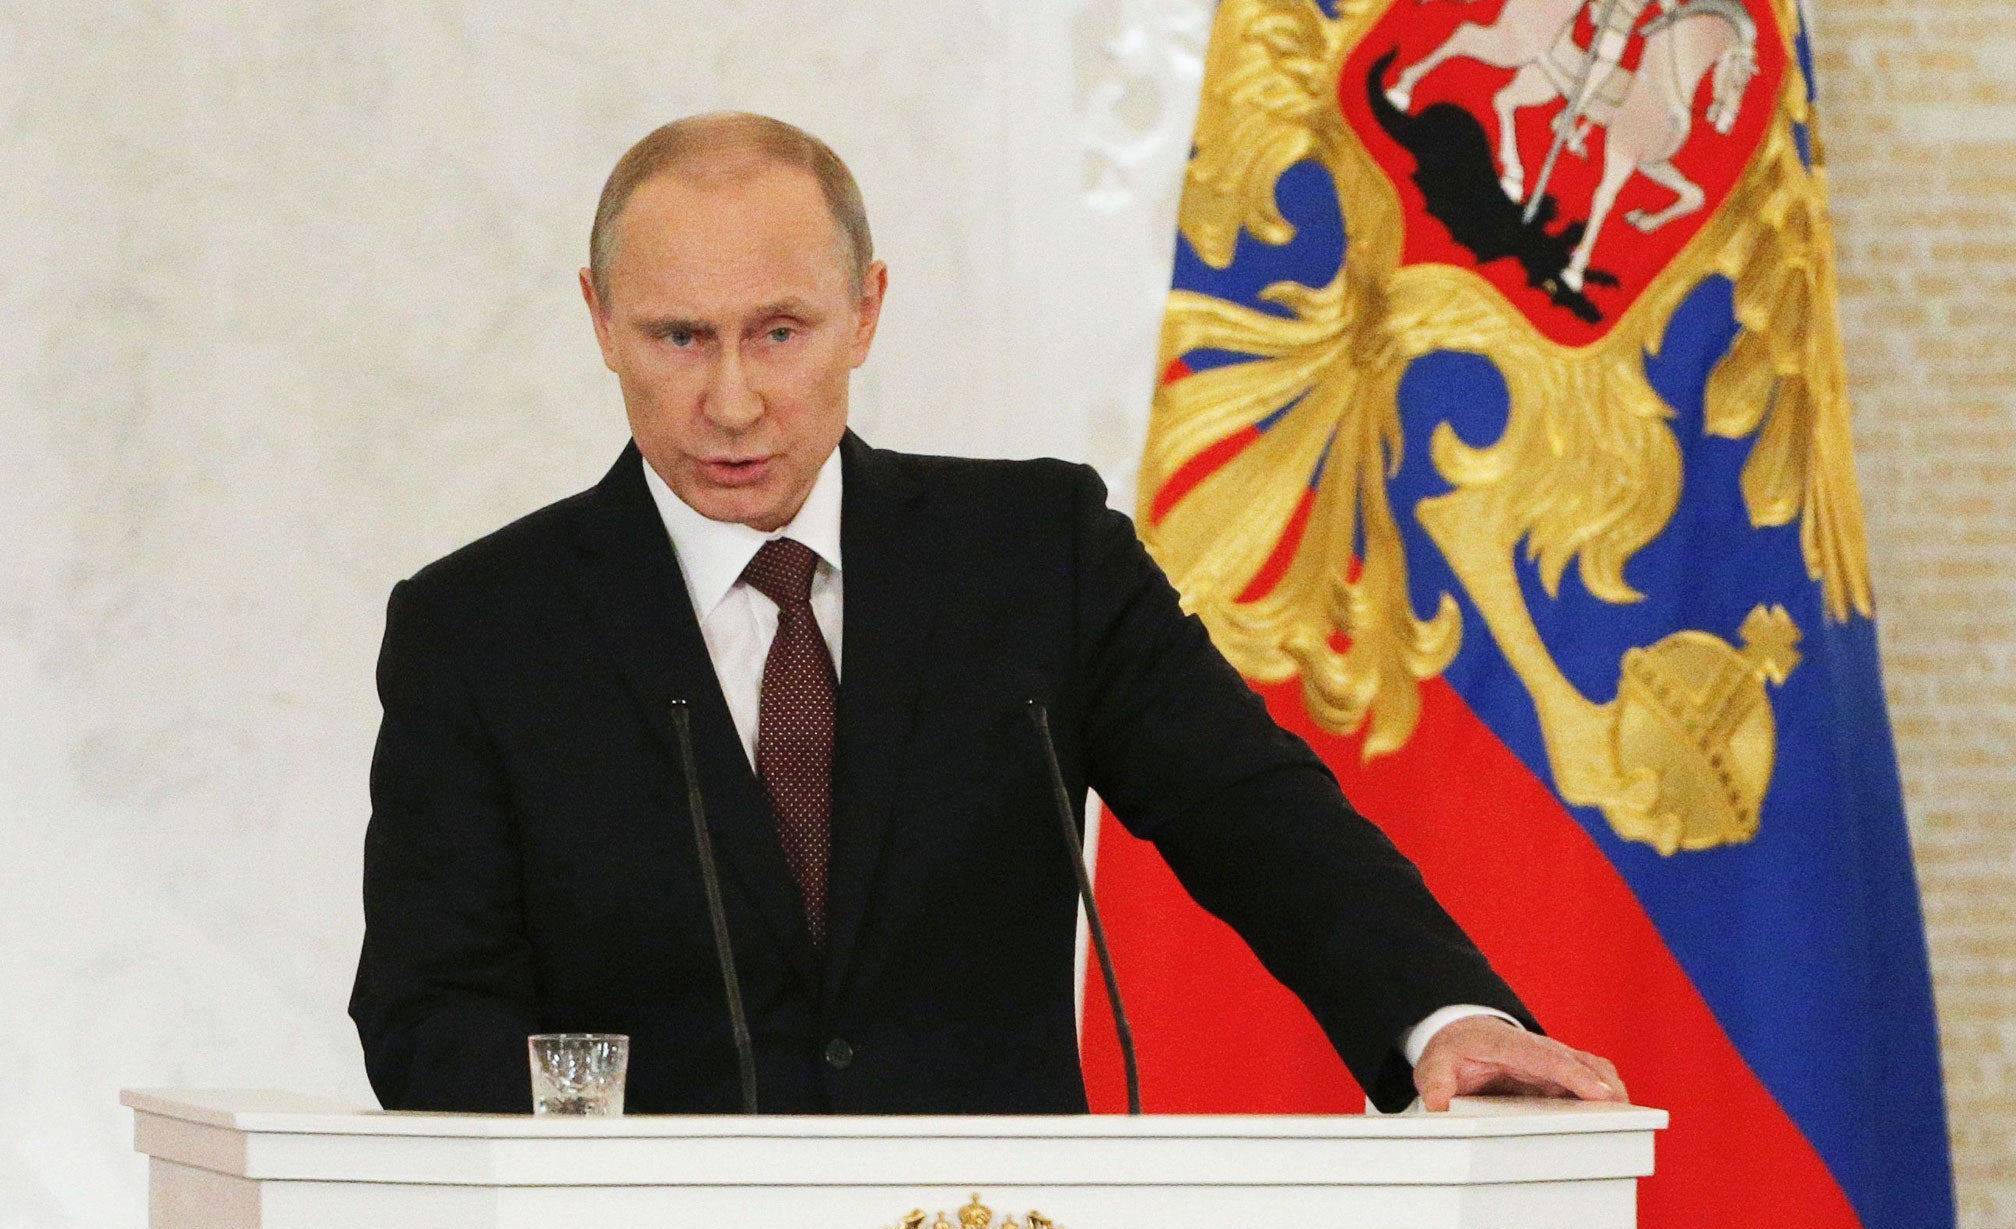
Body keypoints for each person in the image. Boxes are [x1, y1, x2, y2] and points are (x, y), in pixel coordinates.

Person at [350, 113, 1626, 1117]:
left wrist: (1443, 1020)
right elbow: (425, 1012)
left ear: (865, 313)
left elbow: (1254, 819)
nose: (731, 401)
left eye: (778, 332)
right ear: (597, 323)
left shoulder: (1034, 562)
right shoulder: (481, 631)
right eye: (679, 338)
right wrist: (644, 1142)